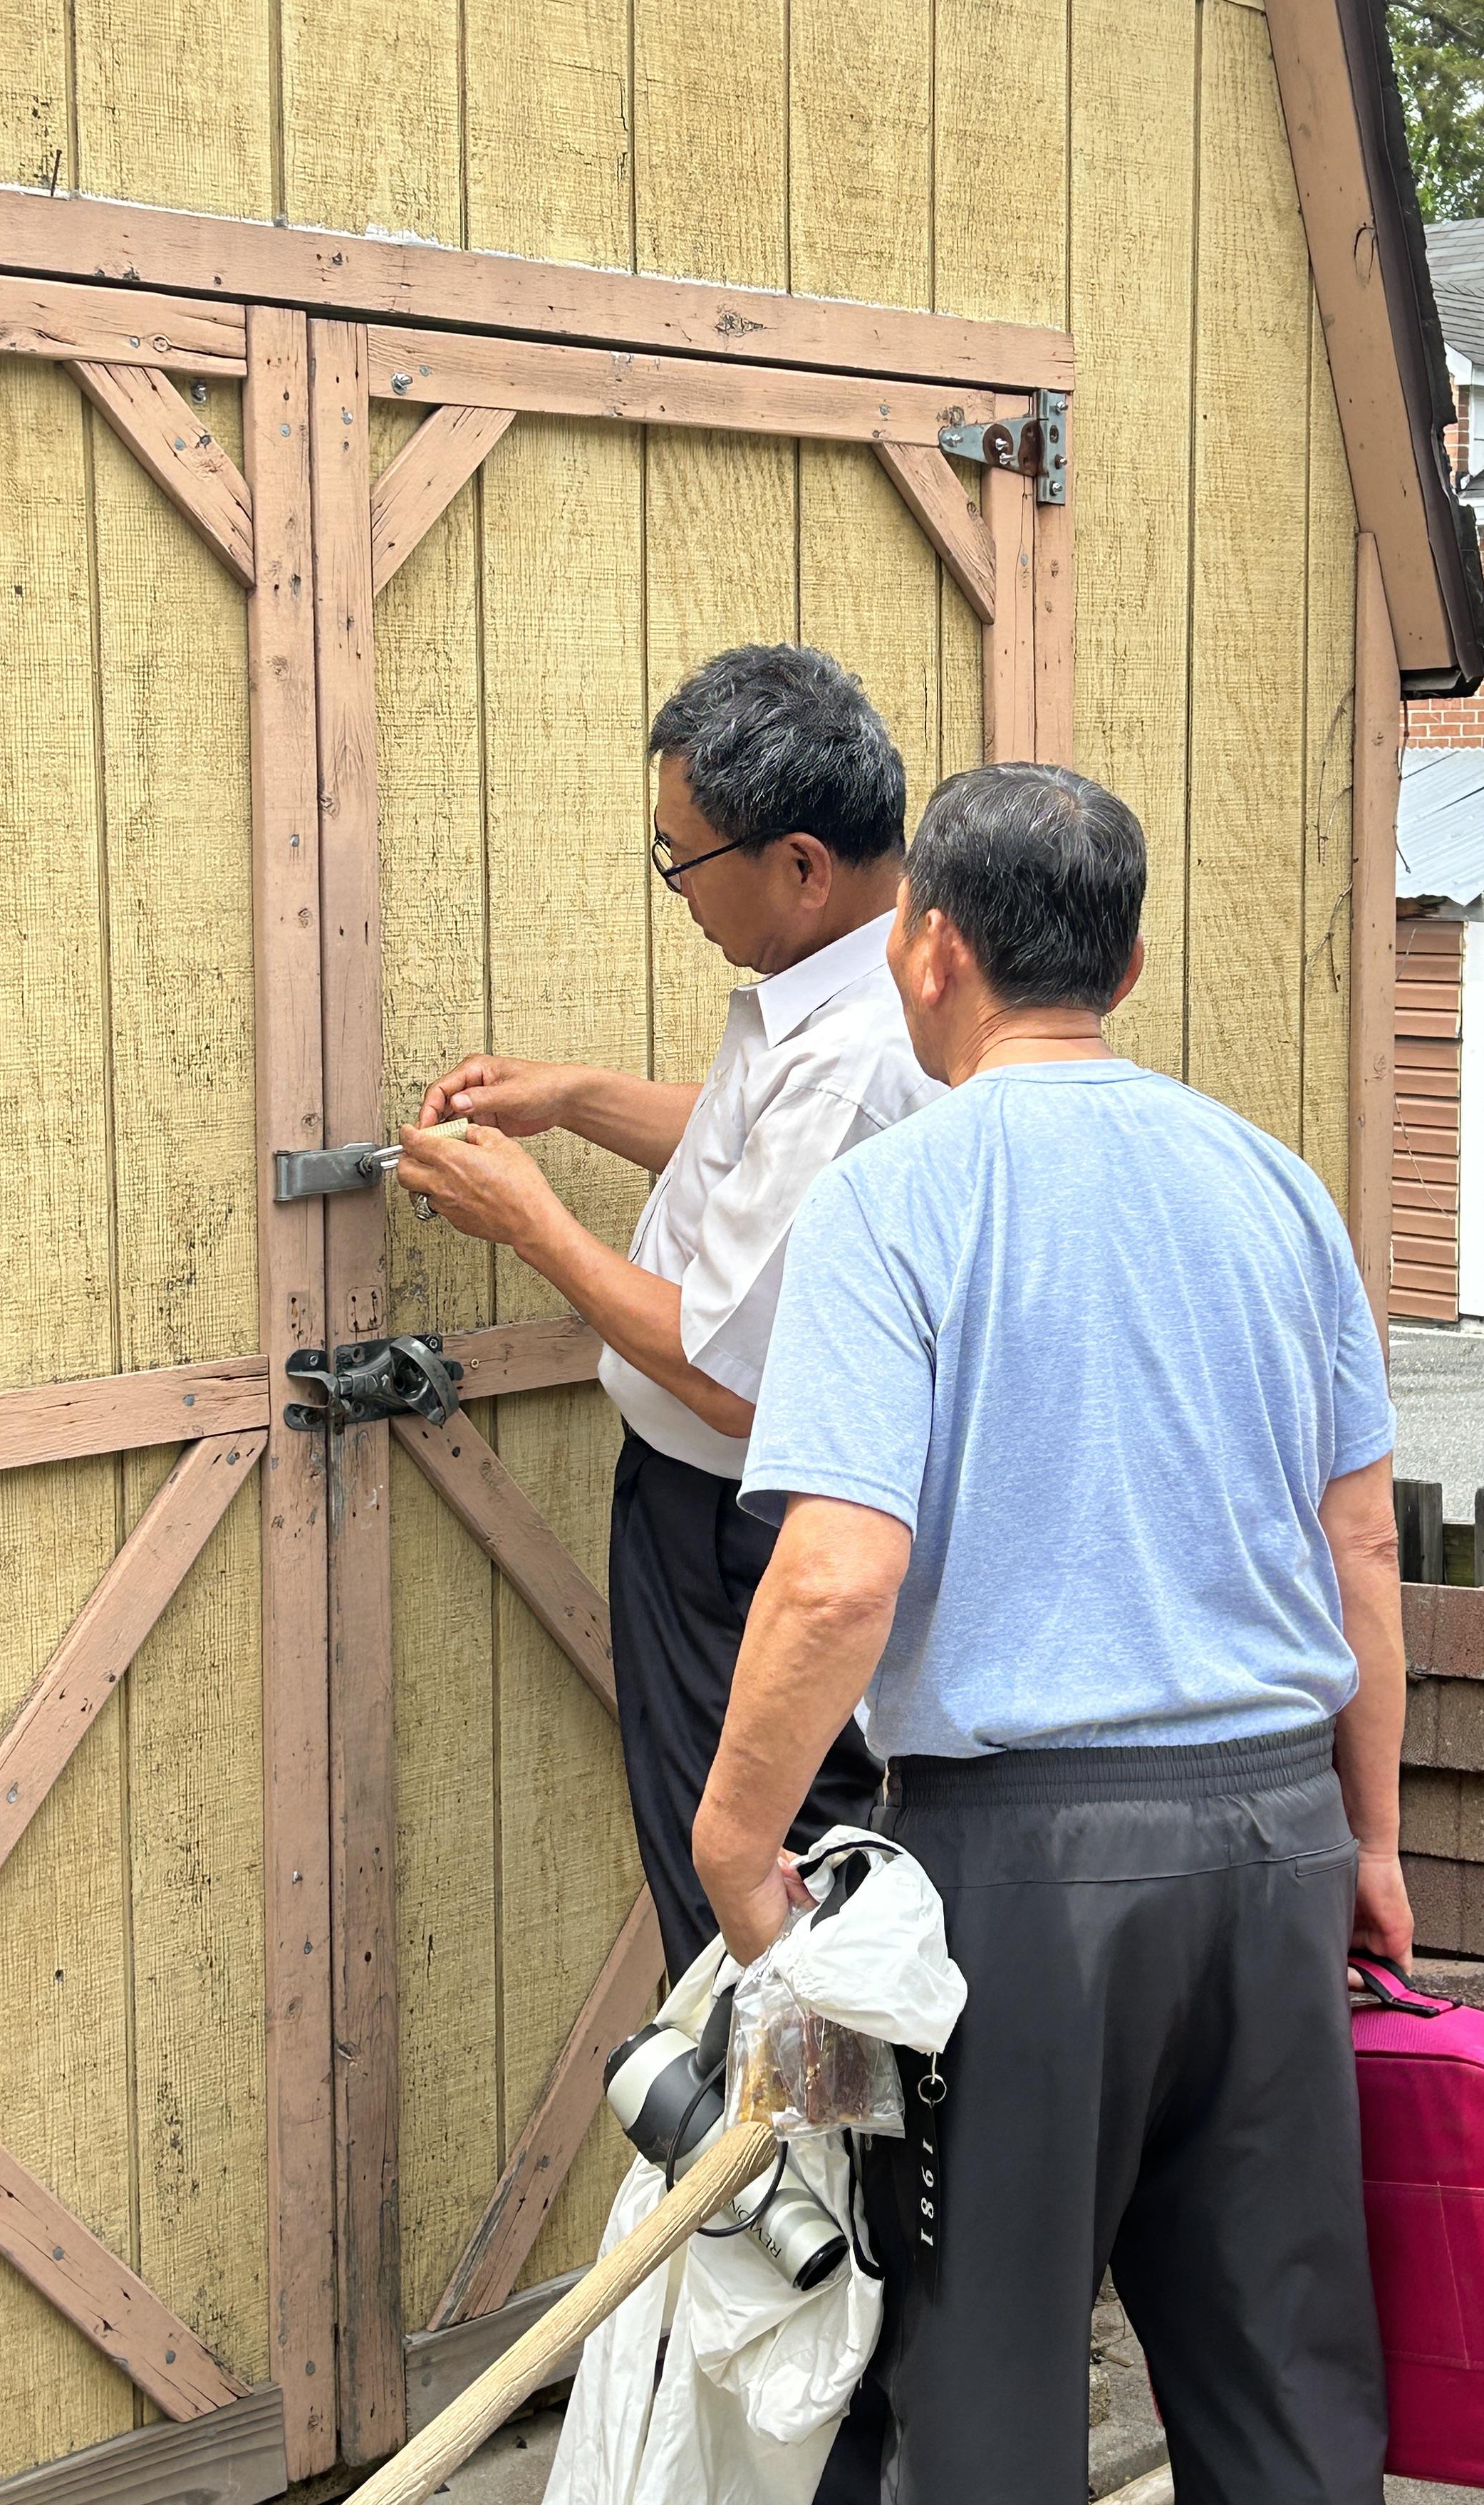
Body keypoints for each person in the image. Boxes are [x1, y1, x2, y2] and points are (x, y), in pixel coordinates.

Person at [691, 761, 1409, 2505]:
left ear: (927, 948)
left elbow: (838, 1576)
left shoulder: (894, 1201)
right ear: (1130, 966)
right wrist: (1373, 1839)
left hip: (1027, 1874)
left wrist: (732, 1838)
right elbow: (1363, 1543)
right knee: (1287, 2391)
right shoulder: (1279, 1189)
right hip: (1276, 1842)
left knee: (990, 2405)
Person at [395, 645, 940, 1976]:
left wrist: (533, 1222)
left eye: (683, 858)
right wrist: (580, 1099)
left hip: (738, 1535)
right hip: (708, 1518)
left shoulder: (855, 1055)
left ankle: (783, 2116)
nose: (678, 887)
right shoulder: (843, 993)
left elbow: (730, 1376)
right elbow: (759, 1157)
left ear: (801, 866)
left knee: (758, 1921)